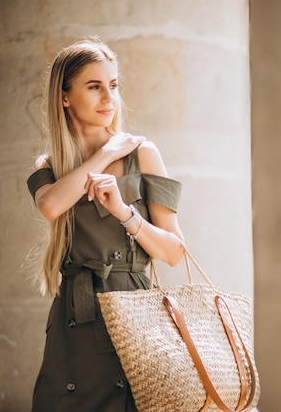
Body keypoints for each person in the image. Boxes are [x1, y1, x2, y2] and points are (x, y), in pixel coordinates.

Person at [26, 37, 185, 411]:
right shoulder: (49, 168)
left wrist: (126, 214)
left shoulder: (142, 154)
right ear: (64, 97)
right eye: (94, 86)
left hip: (132, 314)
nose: (108, 97)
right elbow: (50, 206)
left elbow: (175, 252)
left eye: (113, 85)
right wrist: (105, 154)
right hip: (73, 319)